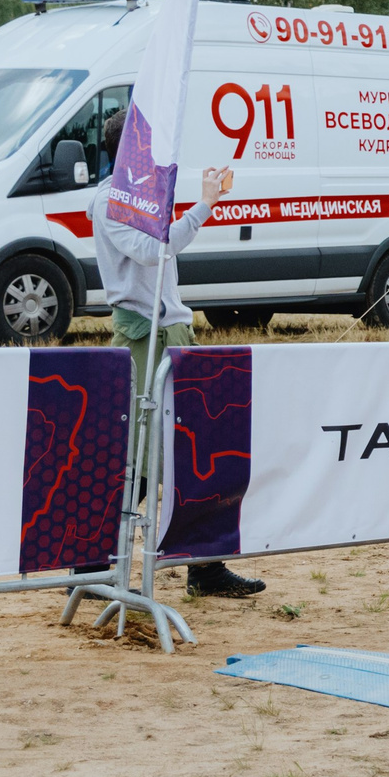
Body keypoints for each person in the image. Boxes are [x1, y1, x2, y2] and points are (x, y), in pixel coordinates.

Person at [91, 110, 264, 599]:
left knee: (195, 451)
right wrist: (203, 205)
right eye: (152, 144)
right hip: (143, 338)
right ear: (131, 151)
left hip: (172, 331)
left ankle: (203, 568)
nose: (161, 154)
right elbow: (155, 251)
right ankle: (93, 565)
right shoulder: (109, 201)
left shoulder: (143, 196)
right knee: (137, 460)